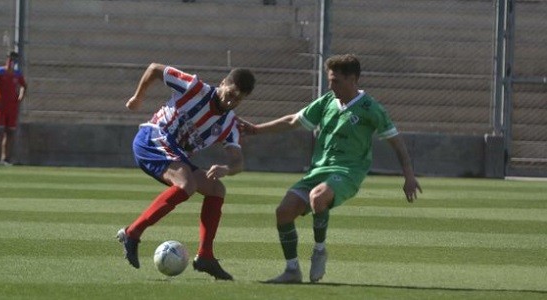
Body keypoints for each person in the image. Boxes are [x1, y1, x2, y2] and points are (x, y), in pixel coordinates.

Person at [237, 54, 422, 283]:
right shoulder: (326, 102)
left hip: (347, 172)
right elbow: (293, 120)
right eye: (330, 80)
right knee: (283, 212)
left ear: (353, 79)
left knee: (318, 197)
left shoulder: (370, 108)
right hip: (318, 171)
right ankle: (292, 270)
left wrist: (409, 176)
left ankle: (319, 251)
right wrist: (255, 129)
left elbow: (397, 141)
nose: (331, 86)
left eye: (336, 81)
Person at [117, 63, 256, 280]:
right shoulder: (194, 88)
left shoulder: (229, 124)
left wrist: (227, 169)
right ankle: (132, 233)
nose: (230, 101)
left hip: (175, 154)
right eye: (229, 94)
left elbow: (238, 162)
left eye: (237, 99)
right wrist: (138, 98)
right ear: (222, 84)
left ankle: (205, 257)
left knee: (217, 189)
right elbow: (154, 69)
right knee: (187, 184)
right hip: (152, 139)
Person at [0, 51, 27, 166]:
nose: (12, 62)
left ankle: (5, 159)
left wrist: (20, 98)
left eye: (15, 59)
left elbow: (24, 86)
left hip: (12, 108)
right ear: (7, 60)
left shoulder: (17, 74)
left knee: (10, 133)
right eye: (11, 59)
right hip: (1, 108)